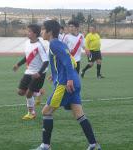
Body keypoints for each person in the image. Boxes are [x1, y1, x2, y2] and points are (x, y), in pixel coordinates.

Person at [32, 20, 101, 150]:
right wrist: (57, 74)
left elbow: (69, 63)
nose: (41, 32)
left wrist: (68, 79)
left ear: (50, 31)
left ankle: (45, 146)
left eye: (43, 29)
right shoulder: (60, 44)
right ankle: (94, 145)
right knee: (79, 114)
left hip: (65, 84)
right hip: (75, 81)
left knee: (46, 112)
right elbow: (72, 62)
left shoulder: (54, 44)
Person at [13, 24, 49, 120]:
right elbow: (27, 57)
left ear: (35, 33)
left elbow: (46, 61)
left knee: (28, 93)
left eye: (29, 31)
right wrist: (18, 64)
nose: (27, 33)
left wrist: (39, 73)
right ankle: (38, 93)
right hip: (29, 71)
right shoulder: (27, 43)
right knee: (20, 92)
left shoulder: (40, 46)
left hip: (38, 74)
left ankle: (31, 113)